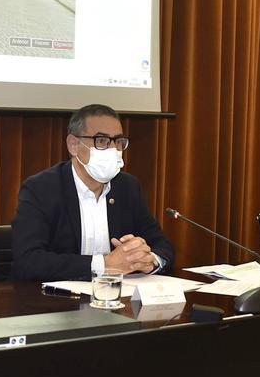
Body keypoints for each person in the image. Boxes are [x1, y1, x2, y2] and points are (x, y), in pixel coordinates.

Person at [11, 104, 175, 281]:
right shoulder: (41, 188)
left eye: (118, 142)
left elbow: (161, 245)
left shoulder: (127, 187)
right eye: (102, 141)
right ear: (73, 145)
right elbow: (28, 261)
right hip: (54, 302)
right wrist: (104, 264)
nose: (113, 150)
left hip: (115, 300)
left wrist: (148, 260)